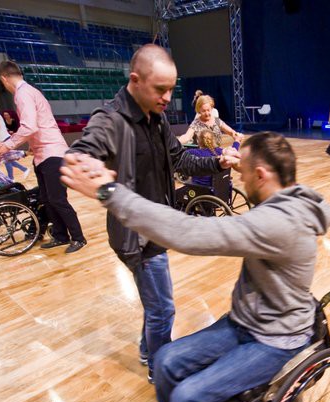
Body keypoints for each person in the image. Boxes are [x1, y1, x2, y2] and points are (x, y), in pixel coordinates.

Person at [59, 131, 330, 402]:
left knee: (189, 397)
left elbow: (190, 234)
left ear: (263, 175)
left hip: (274, 338)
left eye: (244, 171)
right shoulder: (287, 193)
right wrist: (240, 160)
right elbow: (255, 176)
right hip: (247, 321)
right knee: (166, 360)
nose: (238, 177)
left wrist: (111, 193)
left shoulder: (280, 223)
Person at [66, 44, 232, 375]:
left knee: (155, 303)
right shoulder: (111, 120)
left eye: (171, 89)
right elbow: (85, 148)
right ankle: (160, 369)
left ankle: (147, 351)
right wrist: (83, 161)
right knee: (163, 308)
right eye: (160, 89)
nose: (168, 97)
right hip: (136, 238)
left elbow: (178, 158)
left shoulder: (156, 117)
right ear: (135, 80)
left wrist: (217, 161)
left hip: (158, 226)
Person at [0, 60, 86, 253]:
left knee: (57, 199)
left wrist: (6, 146)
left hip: (52, 153)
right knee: (46, 198)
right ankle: (60, 236)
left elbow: (29, 126)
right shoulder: (29, 92)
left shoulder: (23, 94)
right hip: (43, 154)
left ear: (4, 78)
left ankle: (78, 238)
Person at [177, 95, 242, 147]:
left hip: (216, 154)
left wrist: (236, 135)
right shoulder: (195, 124)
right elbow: (186, 137)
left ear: (212, 108)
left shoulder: (217, 120)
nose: (207, 113)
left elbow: (230, 131)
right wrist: (175, 143)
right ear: (199, 110)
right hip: (201, 157)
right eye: (203, 111)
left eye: (208, 110)